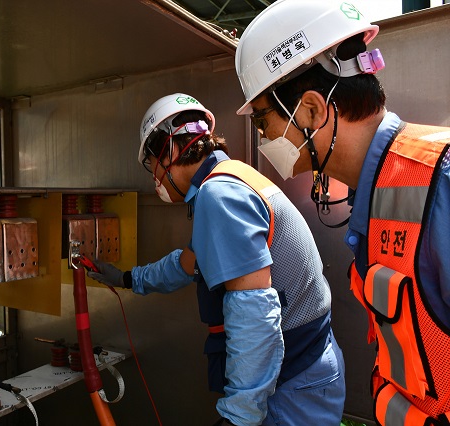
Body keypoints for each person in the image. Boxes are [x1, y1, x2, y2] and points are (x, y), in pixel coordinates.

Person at [233, 0, 450, 424]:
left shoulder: (439, 182)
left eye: (263, 122)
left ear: (312, 109)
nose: (263, 138)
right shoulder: (380, 185)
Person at [88, 93, 345, 425]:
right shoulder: (232, 176)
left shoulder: (218, 194)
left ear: (170, 149)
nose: (156, 180)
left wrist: (239, 415)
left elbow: (254, 312)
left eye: (152, 166)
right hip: (308, 365)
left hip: (293, 380)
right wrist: (127, 279)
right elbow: (188, 263)